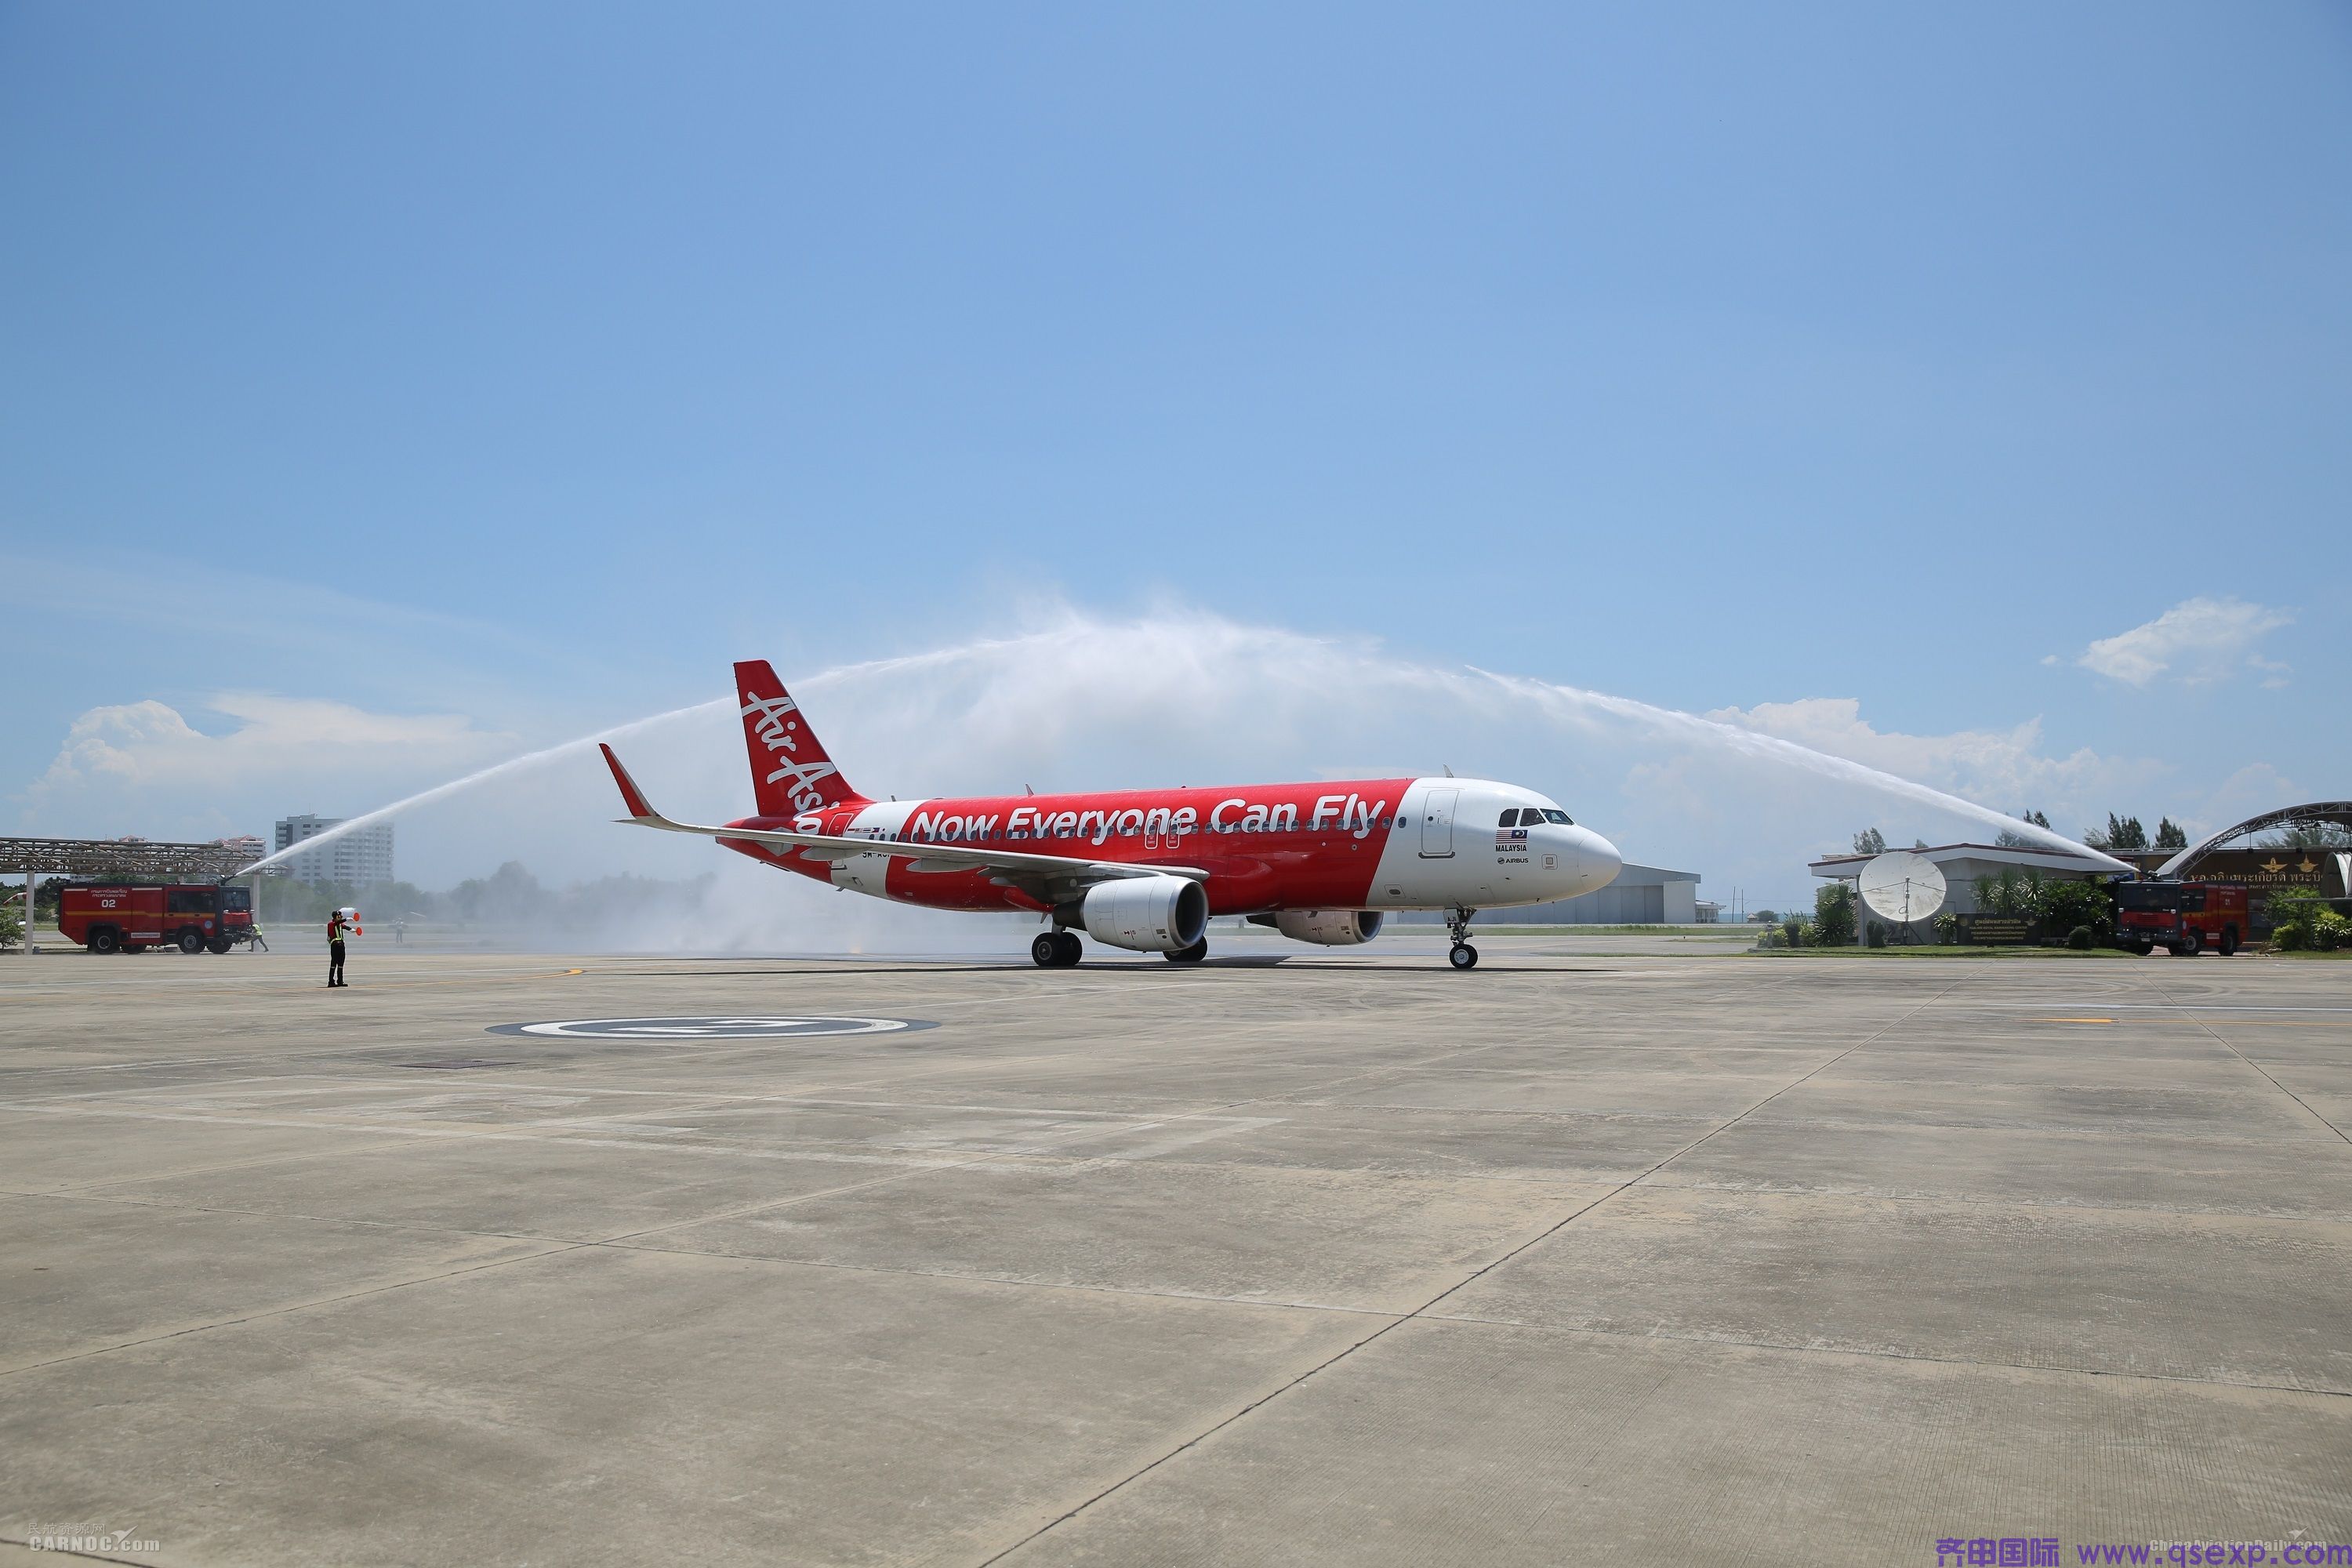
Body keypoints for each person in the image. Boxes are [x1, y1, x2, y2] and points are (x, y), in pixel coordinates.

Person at [326, 906, 355, 986]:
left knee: (341, 964)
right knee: (333, 964)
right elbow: (337, 923)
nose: (340, 917)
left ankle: (340, 981)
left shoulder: (340, 924)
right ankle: (331, 982)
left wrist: (351, 929)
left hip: (341, 945)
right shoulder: (331, 924)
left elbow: (345, 927)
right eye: (339, 916)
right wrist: (346, 919)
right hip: (335, 945)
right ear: (335, 917)